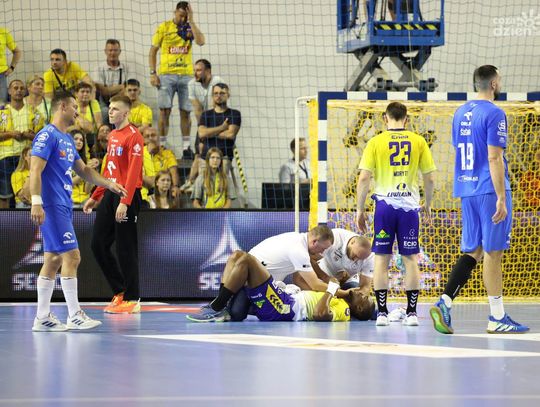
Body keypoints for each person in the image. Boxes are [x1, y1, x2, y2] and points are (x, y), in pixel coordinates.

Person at [430, 65, 529, 334]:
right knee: (493, 253)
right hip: (489, 189)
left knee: (473, 250)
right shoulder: (495, 113)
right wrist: (501, 197)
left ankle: (445, 302)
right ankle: (497, 317)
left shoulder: (460, 112)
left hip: (467, 189)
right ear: (494, 84)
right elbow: (494, 157)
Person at [29, 90, 127, 331]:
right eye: (74, 106)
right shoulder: (47, 135)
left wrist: (108, 184)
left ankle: (42, 317)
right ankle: (74, 314)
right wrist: (36, 201)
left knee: (53, 259)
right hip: (51, 205)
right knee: (72, 256)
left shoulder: (67, 139)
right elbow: (35, 170)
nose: (77, 111)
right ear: (62, 106)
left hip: (63, 204)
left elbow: (83, 171)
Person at [356, 101, 436, 327]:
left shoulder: (375, 142)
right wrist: (428, 204)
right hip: (409, 209)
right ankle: (411, 314)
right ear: (406, 119)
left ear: (385, 118)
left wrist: (360, 209)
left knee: (382, 258)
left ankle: (382, 313)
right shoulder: (418, 141)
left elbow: (364, 178)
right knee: (410, 259)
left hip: (384, 207)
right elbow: (430, 178)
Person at [187, 226, 349, 321]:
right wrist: (342, 292)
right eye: (322, 249)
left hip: (245, 280)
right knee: (240, 258)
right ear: (314, 242)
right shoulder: (299, 251)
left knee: (237, 311)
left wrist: (329, 277)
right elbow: (314, 284)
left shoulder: (296, 239)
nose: (322, 253)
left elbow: (308, 274)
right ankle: (217, 306)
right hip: (252, 280)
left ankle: (221, 303)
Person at [187, 250, 374, 323]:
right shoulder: (340, 297)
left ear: (358, 308)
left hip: (283, 307)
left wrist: (331, 290)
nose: (362, 293)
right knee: (237, 255)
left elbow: (320, 314)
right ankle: (224, 308)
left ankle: (217, 307)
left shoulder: (344, 311)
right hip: (283, 298)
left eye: (366, 298)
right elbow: (302, 282)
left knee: (247, 261)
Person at [83, 95, 145, 314]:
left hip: (127, 194)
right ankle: (120, 291)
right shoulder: (113, 135)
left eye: (115, 109)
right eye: (110, 108)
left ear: (126, 113)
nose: (110, 112)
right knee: (98, 244)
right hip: (111, 192)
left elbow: (134, 171)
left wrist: (125, 202)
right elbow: (110, 168)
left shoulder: (134, 136)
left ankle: (132, 298)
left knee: (125, 247)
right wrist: (96, 195)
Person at [149, 1, 205, 158]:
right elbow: (153, 51)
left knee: (185, 112)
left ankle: (186, 148)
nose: (183, 19)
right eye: (181, 16)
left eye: (186, 16)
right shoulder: (164, 27)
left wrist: (191, 21)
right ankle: (162, 145)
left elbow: (201, 41)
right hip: (166, 75)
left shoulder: (189, 27)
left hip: (186, 76)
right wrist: (153, 73)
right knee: (164, 111)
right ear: (175, 12)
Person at [0, 79, 45, 208]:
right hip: (6, 156)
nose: (19, 91)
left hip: (27, 158)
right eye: (15, 88)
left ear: (25, 91)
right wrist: (10, 134)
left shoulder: (35, 113)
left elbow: (42, 138)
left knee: (28, 194)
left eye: (21, 88)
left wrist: (30, 136)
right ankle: (4, 220)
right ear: (9, 91)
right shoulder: (1, 112)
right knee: (5, 195)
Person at [181, 59, 224, 190]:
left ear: (208, 71)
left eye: (199, 70)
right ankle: (190, 182)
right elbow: (197, 109)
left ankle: (208, 184)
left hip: (220, 122)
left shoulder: (217, 81)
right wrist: (202, 128)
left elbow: (215, 106)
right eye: (194, 70)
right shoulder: (191, 84)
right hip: (204, 123)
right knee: (198, 153)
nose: (195, 73)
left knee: (211, 155)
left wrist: (210, 130)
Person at [198, 83, 241, 172]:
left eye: (222, 93)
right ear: (212, 96)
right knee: (203, 178)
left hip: (224, 156)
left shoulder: (234, 114)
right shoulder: (206, 114)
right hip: (206, 156)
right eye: (216, 93)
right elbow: (201, 133)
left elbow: (230, 134)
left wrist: (209, 133)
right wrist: (222, 127)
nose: (218, 96)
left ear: (228, 95)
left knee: (221, 179)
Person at [93, 39, 130, 122]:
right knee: (105, 112)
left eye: (115, 50)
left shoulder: (126, 68)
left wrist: (110, 91)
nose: (112, 53)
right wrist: (121, 87)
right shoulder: (99, 68)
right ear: (105, 51)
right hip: (103, 102)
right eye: (110, 50)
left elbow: (128, 89)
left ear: (120, 51)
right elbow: (103, 91)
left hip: (121, 100)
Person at [71, 130, 99, 208]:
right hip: (69, 200)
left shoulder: (87, 161)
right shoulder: (63, 159)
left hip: (84, 201)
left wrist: (91, 171)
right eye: (76, 139)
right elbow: (68, 183)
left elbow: (87, 190)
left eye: (81, 140)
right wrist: (85, 170)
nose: (79, 142)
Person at [0, 27, 22, 103]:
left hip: (1, 75)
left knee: (2, 104)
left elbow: (17, 52)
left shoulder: (3, 32)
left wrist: (12, 67)